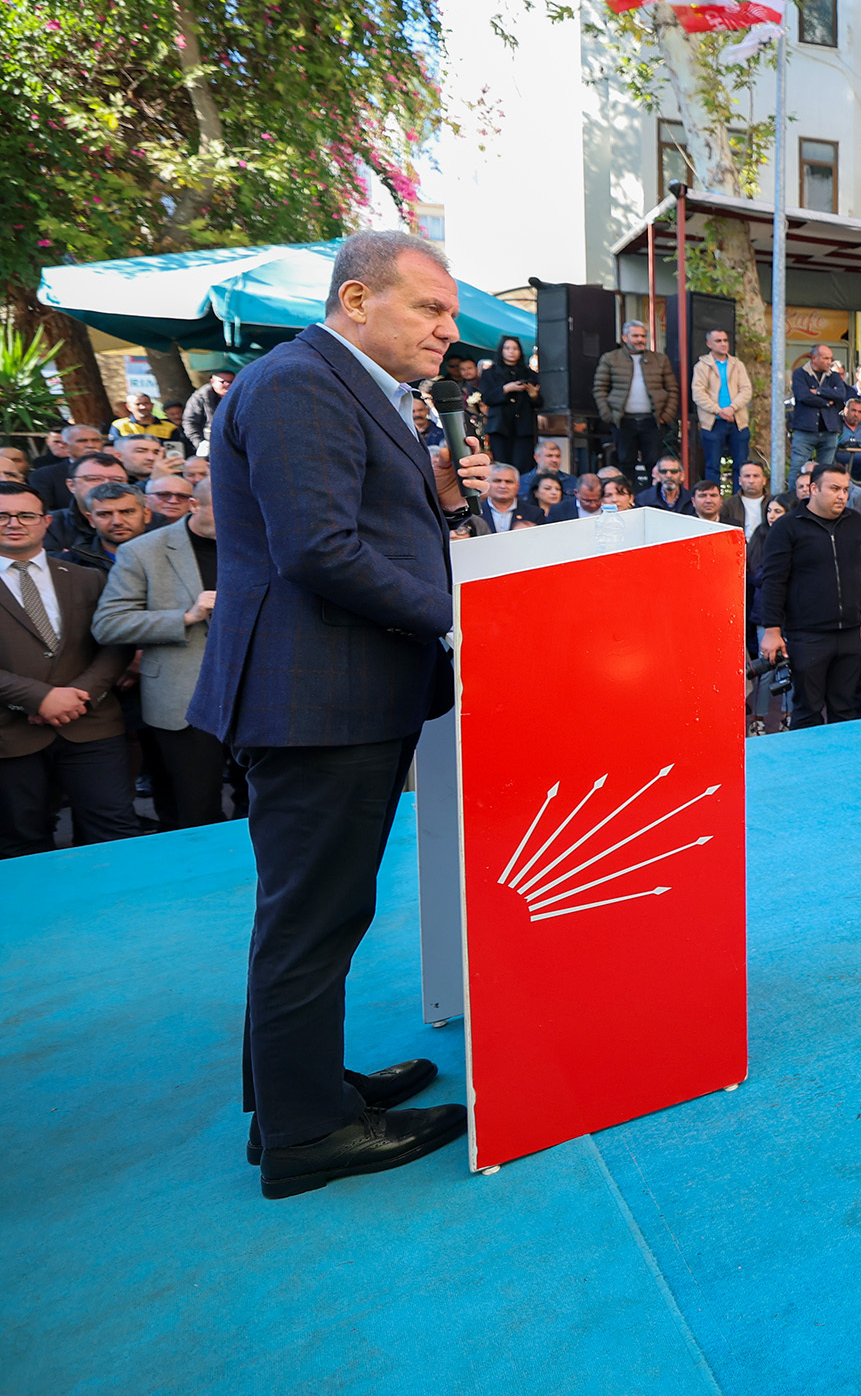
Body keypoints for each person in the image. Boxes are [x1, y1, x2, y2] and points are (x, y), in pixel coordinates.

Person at [187, 232, 485, 1197]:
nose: (449, 330)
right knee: (311, 920)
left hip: (339, 693)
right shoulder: (300, 383)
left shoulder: (347, 386)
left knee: (317, 912)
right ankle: (308, 1134)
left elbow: (367, 527)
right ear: (356, 299)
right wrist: (464, 619)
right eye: (429, 309)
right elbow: (319, 548)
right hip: (315, 697)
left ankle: (291, 1097)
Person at [0, 478, 143, 855]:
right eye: (2, 515)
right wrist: (39, 698)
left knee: (113, 830)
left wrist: (79, 695)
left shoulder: (86, 577)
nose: (14, 523)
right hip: (10, 736)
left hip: (92, 726)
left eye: (26, 515)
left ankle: (120, 913)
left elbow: (115, 644)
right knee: (22, 840)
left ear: (46, 521)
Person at [94, 472, 235, 831]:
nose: (238, 519)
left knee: (262, 800)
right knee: (195, 808)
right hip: (184, 699)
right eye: (226, 511)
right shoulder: (143, 551)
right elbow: (109, 624)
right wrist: (186, 616)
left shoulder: (259, 542)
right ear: (193, 505)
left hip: (257, 695)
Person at [753, 465, 861, 730]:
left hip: (850, 632)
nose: (842, 496)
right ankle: (809, 768)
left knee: (849, 708)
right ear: (813, 489)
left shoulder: (854, 520)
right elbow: (774, 581)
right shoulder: (787, 527)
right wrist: (772, 629)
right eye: (834, 489)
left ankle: (846, 766)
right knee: (808, 710)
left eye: (845, 489)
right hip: (807, 635)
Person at [593, 320, 678, 490]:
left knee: (653, 462)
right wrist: (608, 415)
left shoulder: (660, 359)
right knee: (626, 461)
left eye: (643, 336)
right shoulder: (611, 358)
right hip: (623, 420)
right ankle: (628, 499)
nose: (640, 339)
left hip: (652, 420)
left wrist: (666, 415)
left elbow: (672, 389)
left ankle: (653, 498)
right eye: (636, 335)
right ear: (625, 337)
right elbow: (599, 388)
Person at [688, 328, 752, 487]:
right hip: (713, 422)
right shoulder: (701, 366)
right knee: (712, 466)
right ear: (709, 344)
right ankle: (712, 500)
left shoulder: (737, 364)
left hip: (737, 421)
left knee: (741, 466)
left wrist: (732, 408)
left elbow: (746, 389)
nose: (723, 344)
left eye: (725, 340)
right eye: (718, 341)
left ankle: (739, 502)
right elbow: (698, 394)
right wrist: (720, 411)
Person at [474, 334, 538, 472]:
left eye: (515, 348)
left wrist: (533, 394)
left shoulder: (530, 374)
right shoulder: (490, 373)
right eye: (507, 348)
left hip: (523, 427)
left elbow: (540, 403)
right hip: (500, 425)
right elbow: (487, 398)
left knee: (523, 465)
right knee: (501, 465)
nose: (511, 351)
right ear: (501, 350)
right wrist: (506, 389)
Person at [787, 345, 846, 492]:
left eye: (830, 358)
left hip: (829, 430)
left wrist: (818, 391)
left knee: (826, 472)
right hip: (805, 430)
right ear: (814, 358)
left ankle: (821, 503)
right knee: (797, 469)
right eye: (826, 358)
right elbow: (803, 396)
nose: (829, 362)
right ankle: (793, 504)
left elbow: (840, 394)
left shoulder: (834, 376)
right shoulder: (800, 373)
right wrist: (827, 402)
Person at [181, 369, 234, 455]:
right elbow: (189, 422)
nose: (227, 384)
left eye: (231, 382)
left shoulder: (240, 396)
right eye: (223, 381)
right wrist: (200, 443)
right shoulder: (200, 397)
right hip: (210, 445)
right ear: (212, 382)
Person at [473, 463, 532, 534]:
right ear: (488, 484)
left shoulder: (535, 513)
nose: (503, 486)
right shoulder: (474, 512)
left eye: (508, 482)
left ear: (517, 486)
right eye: (497, 481)